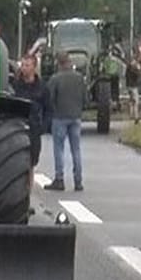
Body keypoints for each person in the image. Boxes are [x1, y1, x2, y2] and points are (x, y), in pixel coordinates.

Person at [45, 51, 86, 191]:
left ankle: (59, 179)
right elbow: (85, 97)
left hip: (60, 117)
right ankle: (78, 181)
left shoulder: (55, 79)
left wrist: (51, 112)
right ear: (69, 61)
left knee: (59, 149)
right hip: (76, 116)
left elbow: (49, 98)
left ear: (58, 63)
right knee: (76, 149)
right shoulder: (79, 78)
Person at [11, 54, 49, 168]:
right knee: (18, 160)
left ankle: (29, 181)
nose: (23, 68)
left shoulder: (42, 86)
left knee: (32, 160)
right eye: (22, 65)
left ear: (34, 67)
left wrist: (44, 127)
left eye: (27, 65)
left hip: (34, 129)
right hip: (17, 128)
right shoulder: (15, 86)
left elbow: (49, 108)